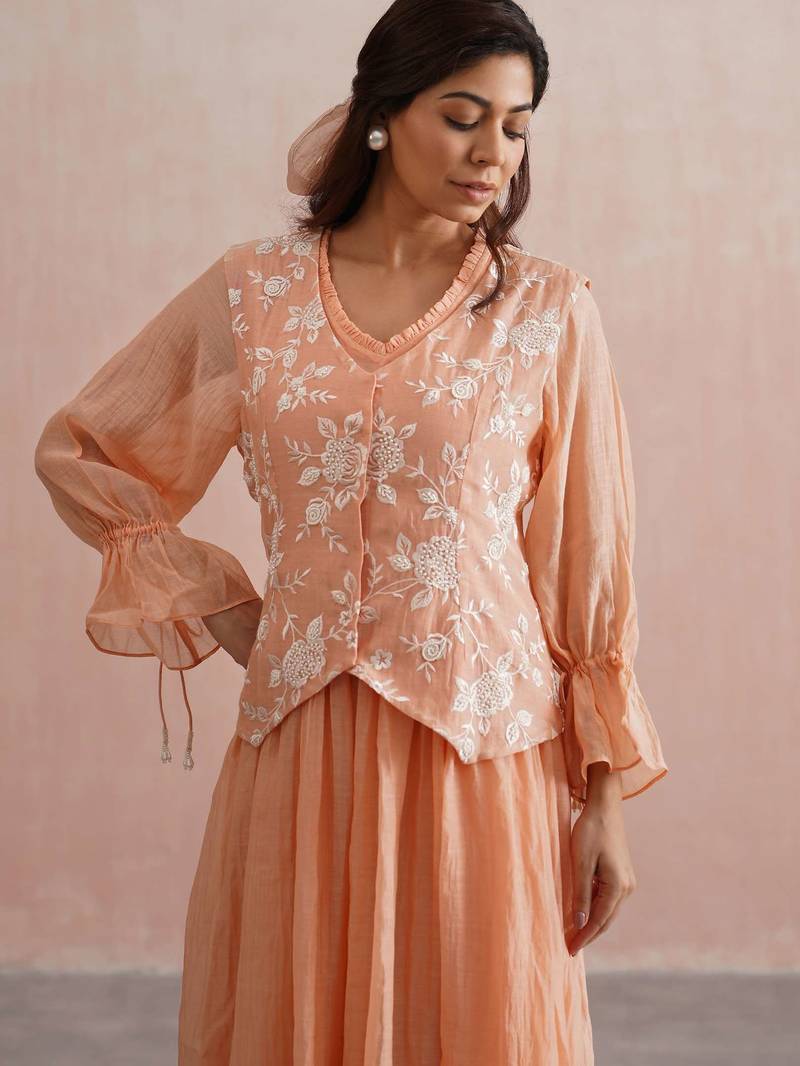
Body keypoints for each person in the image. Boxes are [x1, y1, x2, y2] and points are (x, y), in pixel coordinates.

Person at [33, 1, 669, 1062]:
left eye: (515, 126)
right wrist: (223, 603)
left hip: (480, 755)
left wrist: (603, 800)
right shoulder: (255, 293)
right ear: (381, 114)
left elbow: (586, 565)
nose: (492, 152)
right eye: (461, 116)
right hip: (303, 748)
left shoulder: (547, 311)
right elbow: (87, 449)